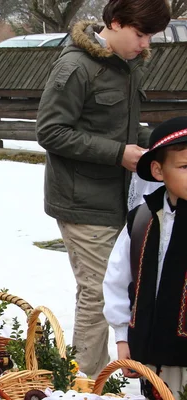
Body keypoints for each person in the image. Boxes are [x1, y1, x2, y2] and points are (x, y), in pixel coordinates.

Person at [35, 0, 170, 377]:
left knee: (122, 288)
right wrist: (118, 154)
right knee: (97, 295)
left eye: (150, 37)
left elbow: (116, 129)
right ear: (114, 22)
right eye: (140, 35)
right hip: (81, 202)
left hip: (120, 200)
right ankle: (83, 383)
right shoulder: (75, 66)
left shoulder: (126, 66)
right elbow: (49, 131)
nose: (145, 45)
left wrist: (156, 148)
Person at [103, 117, 187, 398]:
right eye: (186, 167)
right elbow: (118, 278)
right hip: (153, 351)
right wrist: (123, 336)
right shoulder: (142, 220)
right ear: (158, 170)